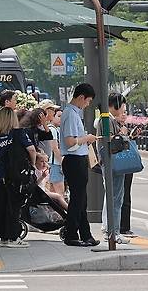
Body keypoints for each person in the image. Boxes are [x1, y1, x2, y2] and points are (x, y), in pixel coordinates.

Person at [60, 83, 100, 247]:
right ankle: (71, 234)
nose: (88, 104)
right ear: (81, 97)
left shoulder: (73, 113)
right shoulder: (70, 114)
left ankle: (85, 234)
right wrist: (87, 138)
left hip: (77, 159)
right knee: (78, 200)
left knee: (81, 200)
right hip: (74, 160)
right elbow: (70, 142)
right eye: (88, 101)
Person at [0, 107, 36, 248]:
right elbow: (31, 149)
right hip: (15, 175)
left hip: (0, 175)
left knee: (2, 206)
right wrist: (32, 165)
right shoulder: (19, 133)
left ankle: (4, 237)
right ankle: (13, 237)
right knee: (14, 206)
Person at [96, 92, 130, 244]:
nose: (123, 108)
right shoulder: (106, 119)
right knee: (115, 198)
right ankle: (113, 232)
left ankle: (111, 230)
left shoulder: (110, 119)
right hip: (112, 164)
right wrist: (122, 134)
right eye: (122, 104)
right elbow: (108, 141)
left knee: (115, 197)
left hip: (113, 163)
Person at [38, 101, 64, 197]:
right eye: (52, 110)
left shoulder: (50, 128)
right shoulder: (52, 129)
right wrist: (62, 163)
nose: (53, 112)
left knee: (52, 192)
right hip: (54, 164)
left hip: (48, 164)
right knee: (59, 193)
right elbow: (54, 148)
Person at [117, 110, 135, 237]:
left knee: (126, 194)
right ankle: (120, 227)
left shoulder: (124, 127)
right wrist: (122, 136)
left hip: (127, 164)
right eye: (122, 111)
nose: (124, 115)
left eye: (126, 112)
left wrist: (131, 137)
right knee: (119, 195)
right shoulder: (111, 124)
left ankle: (125, 226)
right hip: (119, 164)